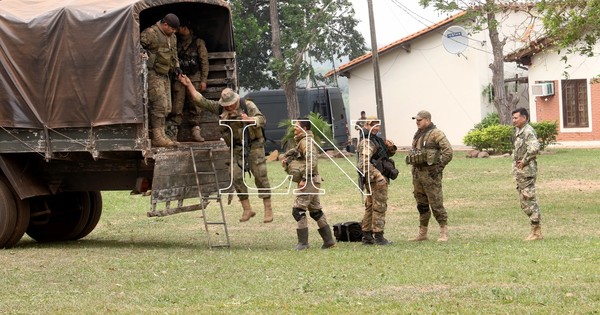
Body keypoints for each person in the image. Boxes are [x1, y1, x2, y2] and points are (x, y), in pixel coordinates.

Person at [177, 75, 273, 223]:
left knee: (260, 176)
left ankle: (268, 209)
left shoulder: (248, 106)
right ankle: (247, 209)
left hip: (254, 145)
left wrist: (251, 120)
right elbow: (201, 101)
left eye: (231, 104)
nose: (228, 107)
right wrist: (189, 84)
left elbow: (262, 119)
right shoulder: (220, 108)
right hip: (236, 148)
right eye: (226, 105)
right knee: (235, 176)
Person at [281, 119, 336, 250]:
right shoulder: (303, 142)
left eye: (296, 127)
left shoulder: (306, 142)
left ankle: (303, 243)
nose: (294, 130)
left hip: (309, 181)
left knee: (298, 211)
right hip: (314, 180)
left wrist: (305, 178)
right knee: (316, 211)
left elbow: (312, 160)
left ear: (304, 128)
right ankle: (328, 241)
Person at [406, 110, 453, 242]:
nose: (417, 122)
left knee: (436, 202)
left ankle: (443, 232)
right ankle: (423, 233)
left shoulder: (436, 133)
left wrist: (439, 167)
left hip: (431, 175)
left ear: (427, 120)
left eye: (419, 120)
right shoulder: (418, 134)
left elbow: (448, 152)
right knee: (421, 204)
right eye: (416, 120)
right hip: (418, 174)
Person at [140, 13, 181, 147]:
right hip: (153, 73)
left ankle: (162, 134)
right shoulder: (151, 33)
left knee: (167, 106)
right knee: (159, 105)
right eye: (172, 29)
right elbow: (136, 45)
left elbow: (173, 53)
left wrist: (177, 67)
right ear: (165, 25)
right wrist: (142, 52)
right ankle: (157, 136)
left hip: (165, 74)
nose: (174, 32)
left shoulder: (172, 37)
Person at [357, 117, 397, 245]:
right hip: (376, 179)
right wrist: (378, 176)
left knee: (370, 206)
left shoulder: (376, 140)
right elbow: (363, 163)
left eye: (377, 125)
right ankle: (379, 235)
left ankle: (367, 235)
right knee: (379, 206)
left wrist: (391, 148)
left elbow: (383, 155)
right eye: (372, 125)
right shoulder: (367, 142)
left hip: (375, 178)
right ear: (367, 126)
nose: (376, 128)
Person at [168, 19, 209, 142]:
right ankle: (173, 134)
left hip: (194, 76)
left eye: (181, 27)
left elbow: (204, 61)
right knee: (177, 105)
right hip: (180, 76)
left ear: (187, 28)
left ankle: (195, 131)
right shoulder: (175, 41)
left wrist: (203, 80)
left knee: (195, 105)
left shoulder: (198, 42)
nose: (179, 29)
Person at [511, 107, 543, 241]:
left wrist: (524, 161)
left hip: (527, 171)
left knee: (529, 200)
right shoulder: (519, 131)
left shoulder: (528, 131)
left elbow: (535, 148)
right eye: (513, 118)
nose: (513, 120)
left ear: (524, 118)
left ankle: (536, 231)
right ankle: (535, 230)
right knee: (525, 201)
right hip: (521, 173)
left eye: (516, 118)